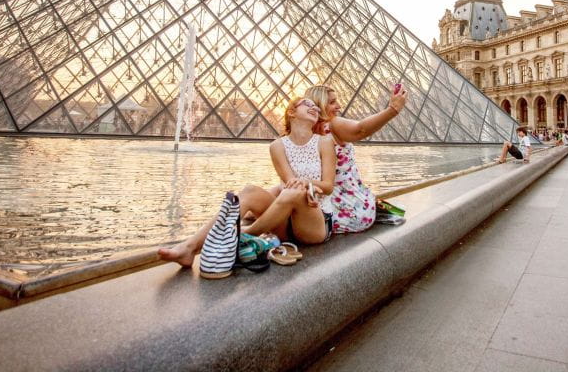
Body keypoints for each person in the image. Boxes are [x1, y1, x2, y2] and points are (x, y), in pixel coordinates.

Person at [159, 84, 408, 268]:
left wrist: (392, 110)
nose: (337, 106)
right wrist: (260, 201)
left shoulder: (328, 134)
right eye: (331, 102)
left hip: (332, 207)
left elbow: (359, 132)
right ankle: (189, 248)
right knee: (249, 192)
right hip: (302, 204)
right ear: (297, 110)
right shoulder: (282, 144)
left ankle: (238, 238)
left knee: (292, 191)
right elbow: (287, 181)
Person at [303, 84, 408, 233]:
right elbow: (361, 129)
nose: (339, 106)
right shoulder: (333, 124)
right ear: (319, 103)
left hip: (320, 210)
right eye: (332, 102)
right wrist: (392, 110)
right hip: (352, 209)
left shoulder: (305, 132)